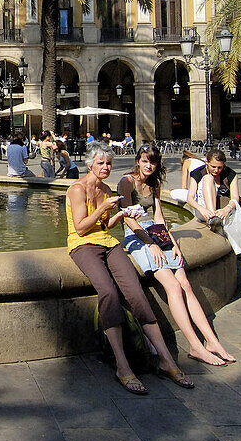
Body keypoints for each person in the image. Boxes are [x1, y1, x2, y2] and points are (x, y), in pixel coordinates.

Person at [66, 145, 193, 395]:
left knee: (135, 292)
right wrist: (104, 208)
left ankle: (166, 360)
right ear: (90, 164)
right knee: (109, 292)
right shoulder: (77, 189)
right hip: (82, 245)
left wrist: (121, 213)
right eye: (101, 163)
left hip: (108, 243)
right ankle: (122, 366)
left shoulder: (105, 189)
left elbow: (106, 226)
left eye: (109, 164)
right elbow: (81, 228)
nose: (106, 168)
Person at [117, 146, 236, 366]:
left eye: (152, 162)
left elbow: (159, 215)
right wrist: (151, 244)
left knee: (186, 285)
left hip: (155, 232)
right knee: (172, 286)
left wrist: (171, 244)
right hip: (137, 236)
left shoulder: (154, 183)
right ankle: (195, 345)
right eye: (145, 161)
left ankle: (211, 341)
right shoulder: (127, 182)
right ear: (138, 161)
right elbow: (127, 219)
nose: (148, 166)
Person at [186, 149, 241, 310]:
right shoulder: (198, 173)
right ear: (207, 163)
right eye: (213, 166)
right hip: (205, 211)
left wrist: (226, 209)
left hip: (225, 211)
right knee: (208, 179)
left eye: (219, 168)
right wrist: (204, 210)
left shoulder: (230, 174)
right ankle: (213, 221)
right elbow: (190, 198)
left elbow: (235, 198)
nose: (216, 170)